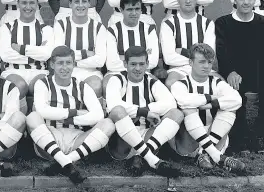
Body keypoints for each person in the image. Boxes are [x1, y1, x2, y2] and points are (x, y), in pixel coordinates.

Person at [26, 46, 115, 184]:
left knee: (108, 124)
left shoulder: (82, 86)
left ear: (74, 64)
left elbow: (97, 116)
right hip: (50, 136)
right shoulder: (43, 83)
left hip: (77, 138)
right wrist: (75, 113)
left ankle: (65, 161)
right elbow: (42, 111)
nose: (64, 67)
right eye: (60, 63)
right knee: (32, 117)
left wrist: (62, 116)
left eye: (68, 63)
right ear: (52, 65)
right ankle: (67, 164)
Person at [215, 0, 264, 153]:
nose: (246, 2)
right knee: (233, 92)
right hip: (235, 73)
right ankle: (240, 137)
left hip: (260, 73)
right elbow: (221, 53)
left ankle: (257, 134)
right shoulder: (223, 23)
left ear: (255, 0)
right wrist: (230, 72)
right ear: (235, 0)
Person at [106, 46, 182, 177]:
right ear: (125, 64)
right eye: (133, 64)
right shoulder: (116, 79)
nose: (137, 68)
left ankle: (141, 157)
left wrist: (147, 110)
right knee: (118, 111)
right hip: (123, 142)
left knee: (176, 114)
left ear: (147, 64)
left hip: (148, 137)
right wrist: (144, 112)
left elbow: (170, 103)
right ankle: (151, 159)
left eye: (141, 64)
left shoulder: (152, 81)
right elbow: (113, 105)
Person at [171, 44, 246, 173]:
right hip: (189, 141)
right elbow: (184, 101)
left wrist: (213, 104)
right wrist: (210, 97)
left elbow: (237, 99)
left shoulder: (217, 82)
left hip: (214, 136)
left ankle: (205, 154)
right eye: (201, 62)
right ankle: (216, 157)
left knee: (229, 108)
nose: (206, 66)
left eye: (209, 62)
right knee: (188, 109)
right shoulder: (180, 84)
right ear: (190, 62)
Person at [0, 0, 54, 113]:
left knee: (41, 85)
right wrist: (36, 51)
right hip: (13, 71)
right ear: (18, 3)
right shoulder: (6, 28)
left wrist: (20, 49)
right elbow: (6, 55)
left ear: (37, 4)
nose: (27, 7)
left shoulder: (46, 29)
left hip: (39, 71)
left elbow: (47, 54)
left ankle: (35, 124)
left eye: (31, 3)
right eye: (24, 2)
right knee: (19, 86)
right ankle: (20, 123)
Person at [54, 0, 106, 100]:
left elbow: (100, 60)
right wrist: (86, 53)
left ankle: (94, 116)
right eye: (76, 1)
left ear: (89, 4)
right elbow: (59, 54)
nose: (80, 5)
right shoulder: (61, 25)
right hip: (66, 70)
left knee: (95, 86)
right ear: (70, 4)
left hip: (91, 72)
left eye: (84, 1)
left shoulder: (98, 27)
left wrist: (74, 62)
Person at [160, 0, 215, 89]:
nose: (188, 1)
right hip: (178, 69)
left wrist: (182, 51)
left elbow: (209, 54)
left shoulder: (207, 23)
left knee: (221, 84)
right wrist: (197, 60)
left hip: (204, 68)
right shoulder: (168, 24)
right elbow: (169, 58)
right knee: (171, 83)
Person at [106, 0, 159, 75]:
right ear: (121, 10)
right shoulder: (112, 30)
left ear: (141, 10)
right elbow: (111, 64)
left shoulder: (149, 29)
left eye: (137, 9)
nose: (134, 13)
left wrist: (123, 58)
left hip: (143, 74)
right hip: (117, 73)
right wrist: (141, 62)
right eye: (129, 9)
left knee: (158, 87)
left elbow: (153, 61)